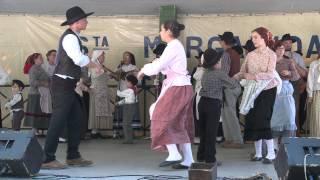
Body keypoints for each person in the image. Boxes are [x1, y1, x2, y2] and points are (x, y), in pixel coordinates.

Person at [42, 6, 101, 169]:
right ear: (76, 22)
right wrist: (93, 65)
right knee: (58, 121)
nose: (86, 21)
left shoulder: (74, 37)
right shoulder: (69, 38)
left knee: (77, 118)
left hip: (69, 84)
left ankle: (73, 156)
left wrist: (79, 81)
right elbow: (77, 59)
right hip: (62, 84)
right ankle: (47, 158)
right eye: (84, 19)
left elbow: (75, 61)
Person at [138, 20, 194, 170]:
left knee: (158, 112)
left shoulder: (173, 46)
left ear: (168, 31)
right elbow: (164, 66)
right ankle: (188, 159)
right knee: (180, 123)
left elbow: (159, 66)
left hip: (178, 87)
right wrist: (151, 67)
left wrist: (144, 69)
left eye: (162, 30)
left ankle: (174, 153)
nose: (160, 33)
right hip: (181, 86)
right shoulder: (175, 46)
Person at [234, 27, 279, 164]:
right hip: (251, 90)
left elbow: (271, 74)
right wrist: (234, 77)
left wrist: (254, 76)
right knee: (252, 119)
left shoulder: (271, 54)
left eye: (255, 37)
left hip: (267, 90)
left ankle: (271, 153)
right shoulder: (250, 55)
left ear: (264, 38)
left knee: (263, 119)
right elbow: (242, 71)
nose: (253, 40)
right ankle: (258, 153)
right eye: (252, 37)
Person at [197, 48, 240, 165]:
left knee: (204, 132)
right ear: (215, 63)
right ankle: (210, 159)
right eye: (220, 61)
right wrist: (236, 78)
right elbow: (232, 85)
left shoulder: (205, 72)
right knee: (211, 133)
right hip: (213, 104)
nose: (221, 63)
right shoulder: (220, 74)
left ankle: (201, 156)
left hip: (202, 103)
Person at [270, 41, 300, 151]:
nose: (281, 51)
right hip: (273, 91)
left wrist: (289, 73)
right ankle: (273, 147)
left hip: (286, 92)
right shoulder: (269, 62)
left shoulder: (289, 61)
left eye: (282, 49)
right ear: (274, 50)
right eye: (278, 49)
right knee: (274, 119)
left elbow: (296, 77)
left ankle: (286, 146)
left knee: (289, 117)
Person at [218, 31, 243, 148]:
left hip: (229, 86)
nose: (220, 42)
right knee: (227, 113)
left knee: (230, 114)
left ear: (224, 42)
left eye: (221, 40)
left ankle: (237, 140)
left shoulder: (226, 54)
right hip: (234, 85)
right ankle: (229, 138)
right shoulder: (235, 53)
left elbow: (224, 73)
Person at [23, 53, 51, 133]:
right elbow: (32, 82)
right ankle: (34, 130)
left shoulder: (40, 68)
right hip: (36, 94)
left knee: (41, 112)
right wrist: (44, 83)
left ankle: (38, 130)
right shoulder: (33, 69)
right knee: (36, 112)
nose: (42, 59)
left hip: (42, 94)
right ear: (35, 60)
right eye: (40, 58)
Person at [88, 50, 113, 139]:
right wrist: (104, 72)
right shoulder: (94, 65)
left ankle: (97, 130)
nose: (104, 58)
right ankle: (94, 131)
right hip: (96, 91)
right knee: (95, 111)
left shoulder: (100, 66)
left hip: (102, 91)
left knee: (101, 111)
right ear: (98, 56)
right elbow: (95, 75)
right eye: (102, 56)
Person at [116, 74, 139, 144]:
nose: (125, 83)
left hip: (129, 107)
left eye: (126, 81)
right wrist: (119, 103)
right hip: (130, 106)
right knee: (127, 123)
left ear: (130, 82)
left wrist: (117, 88)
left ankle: (128, 140)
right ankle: (129, 139)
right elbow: (127, 99)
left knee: (126, 124)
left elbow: (119, 94)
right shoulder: (133, 89)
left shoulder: (130, 90)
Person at [306, 57, 320, 137]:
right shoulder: (314, 64)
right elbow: (310, 79)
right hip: (317, 92)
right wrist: (310, 94)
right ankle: (317, 138)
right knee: (317, 117)